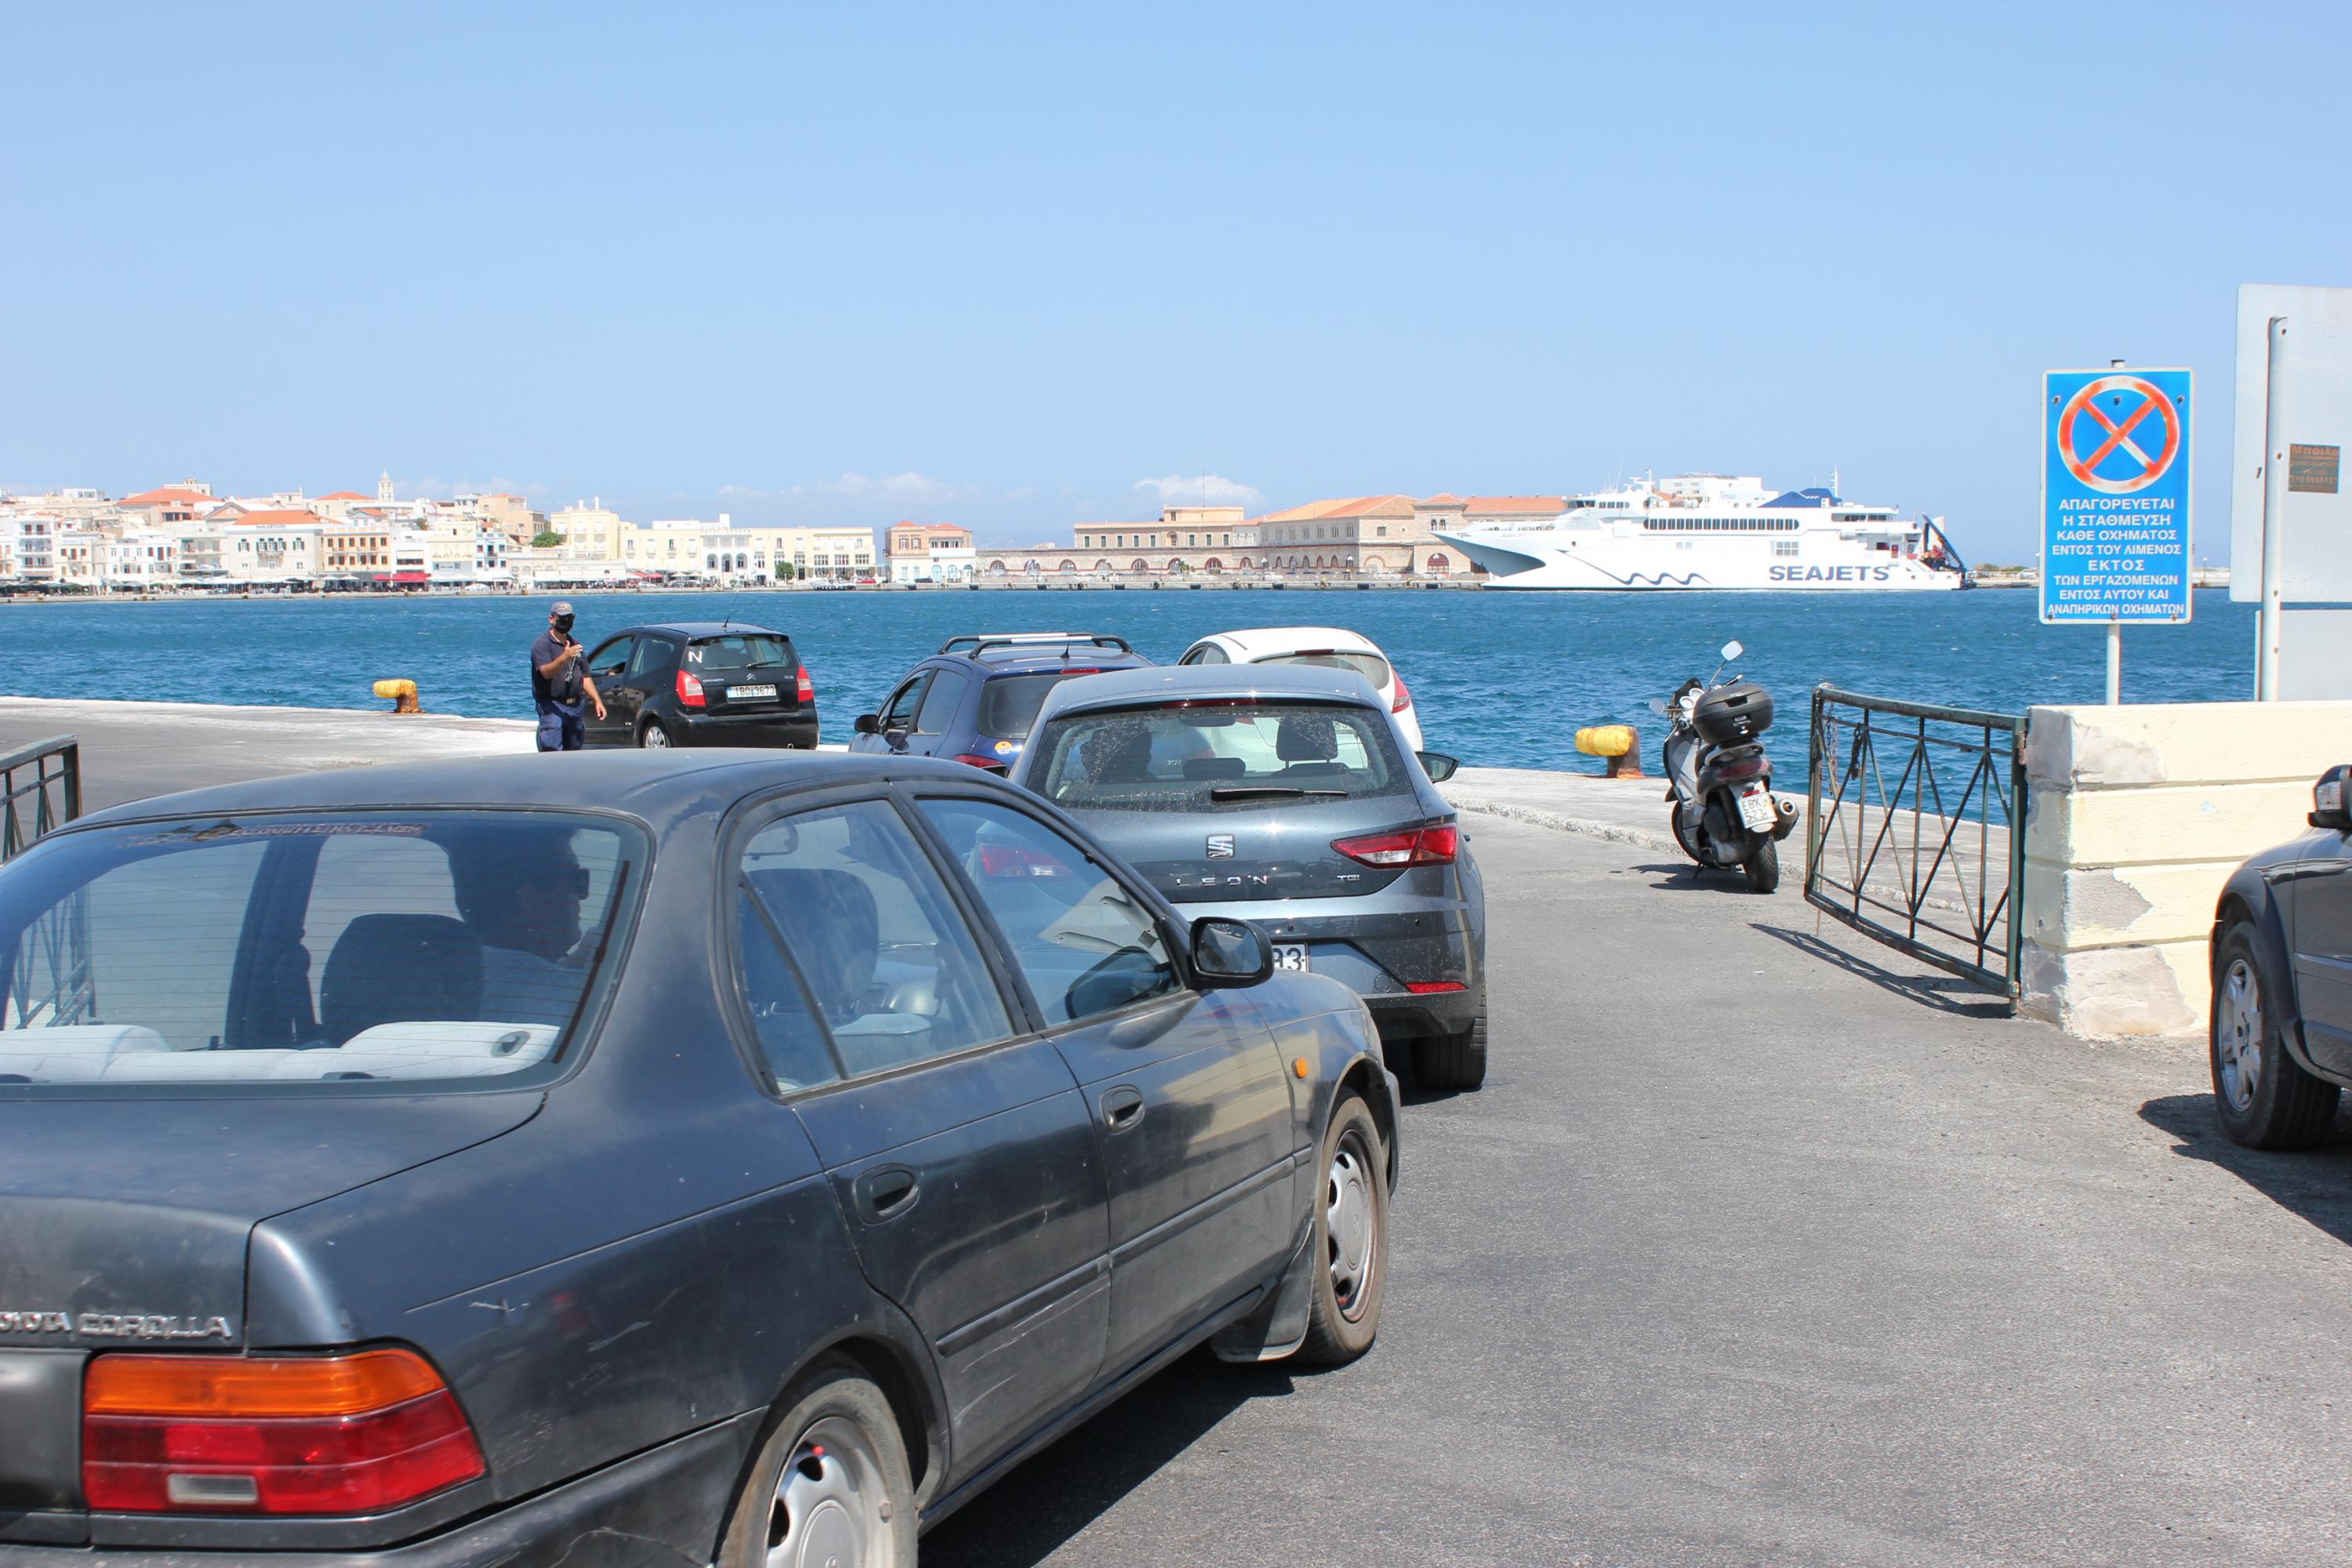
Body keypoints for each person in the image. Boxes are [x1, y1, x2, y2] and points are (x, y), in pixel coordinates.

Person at [530, 601, 605, 752]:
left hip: (575, 705)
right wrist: (564, 657)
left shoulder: (575, 644)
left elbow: (585, 675)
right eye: (562, 617)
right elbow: (546, 673)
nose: (566, 621)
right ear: (552, 619)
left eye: (569, 618)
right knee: (552, 749)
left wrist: (597, 701)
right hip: (551, 705)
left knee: (574, 748)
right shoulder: (542, 644)